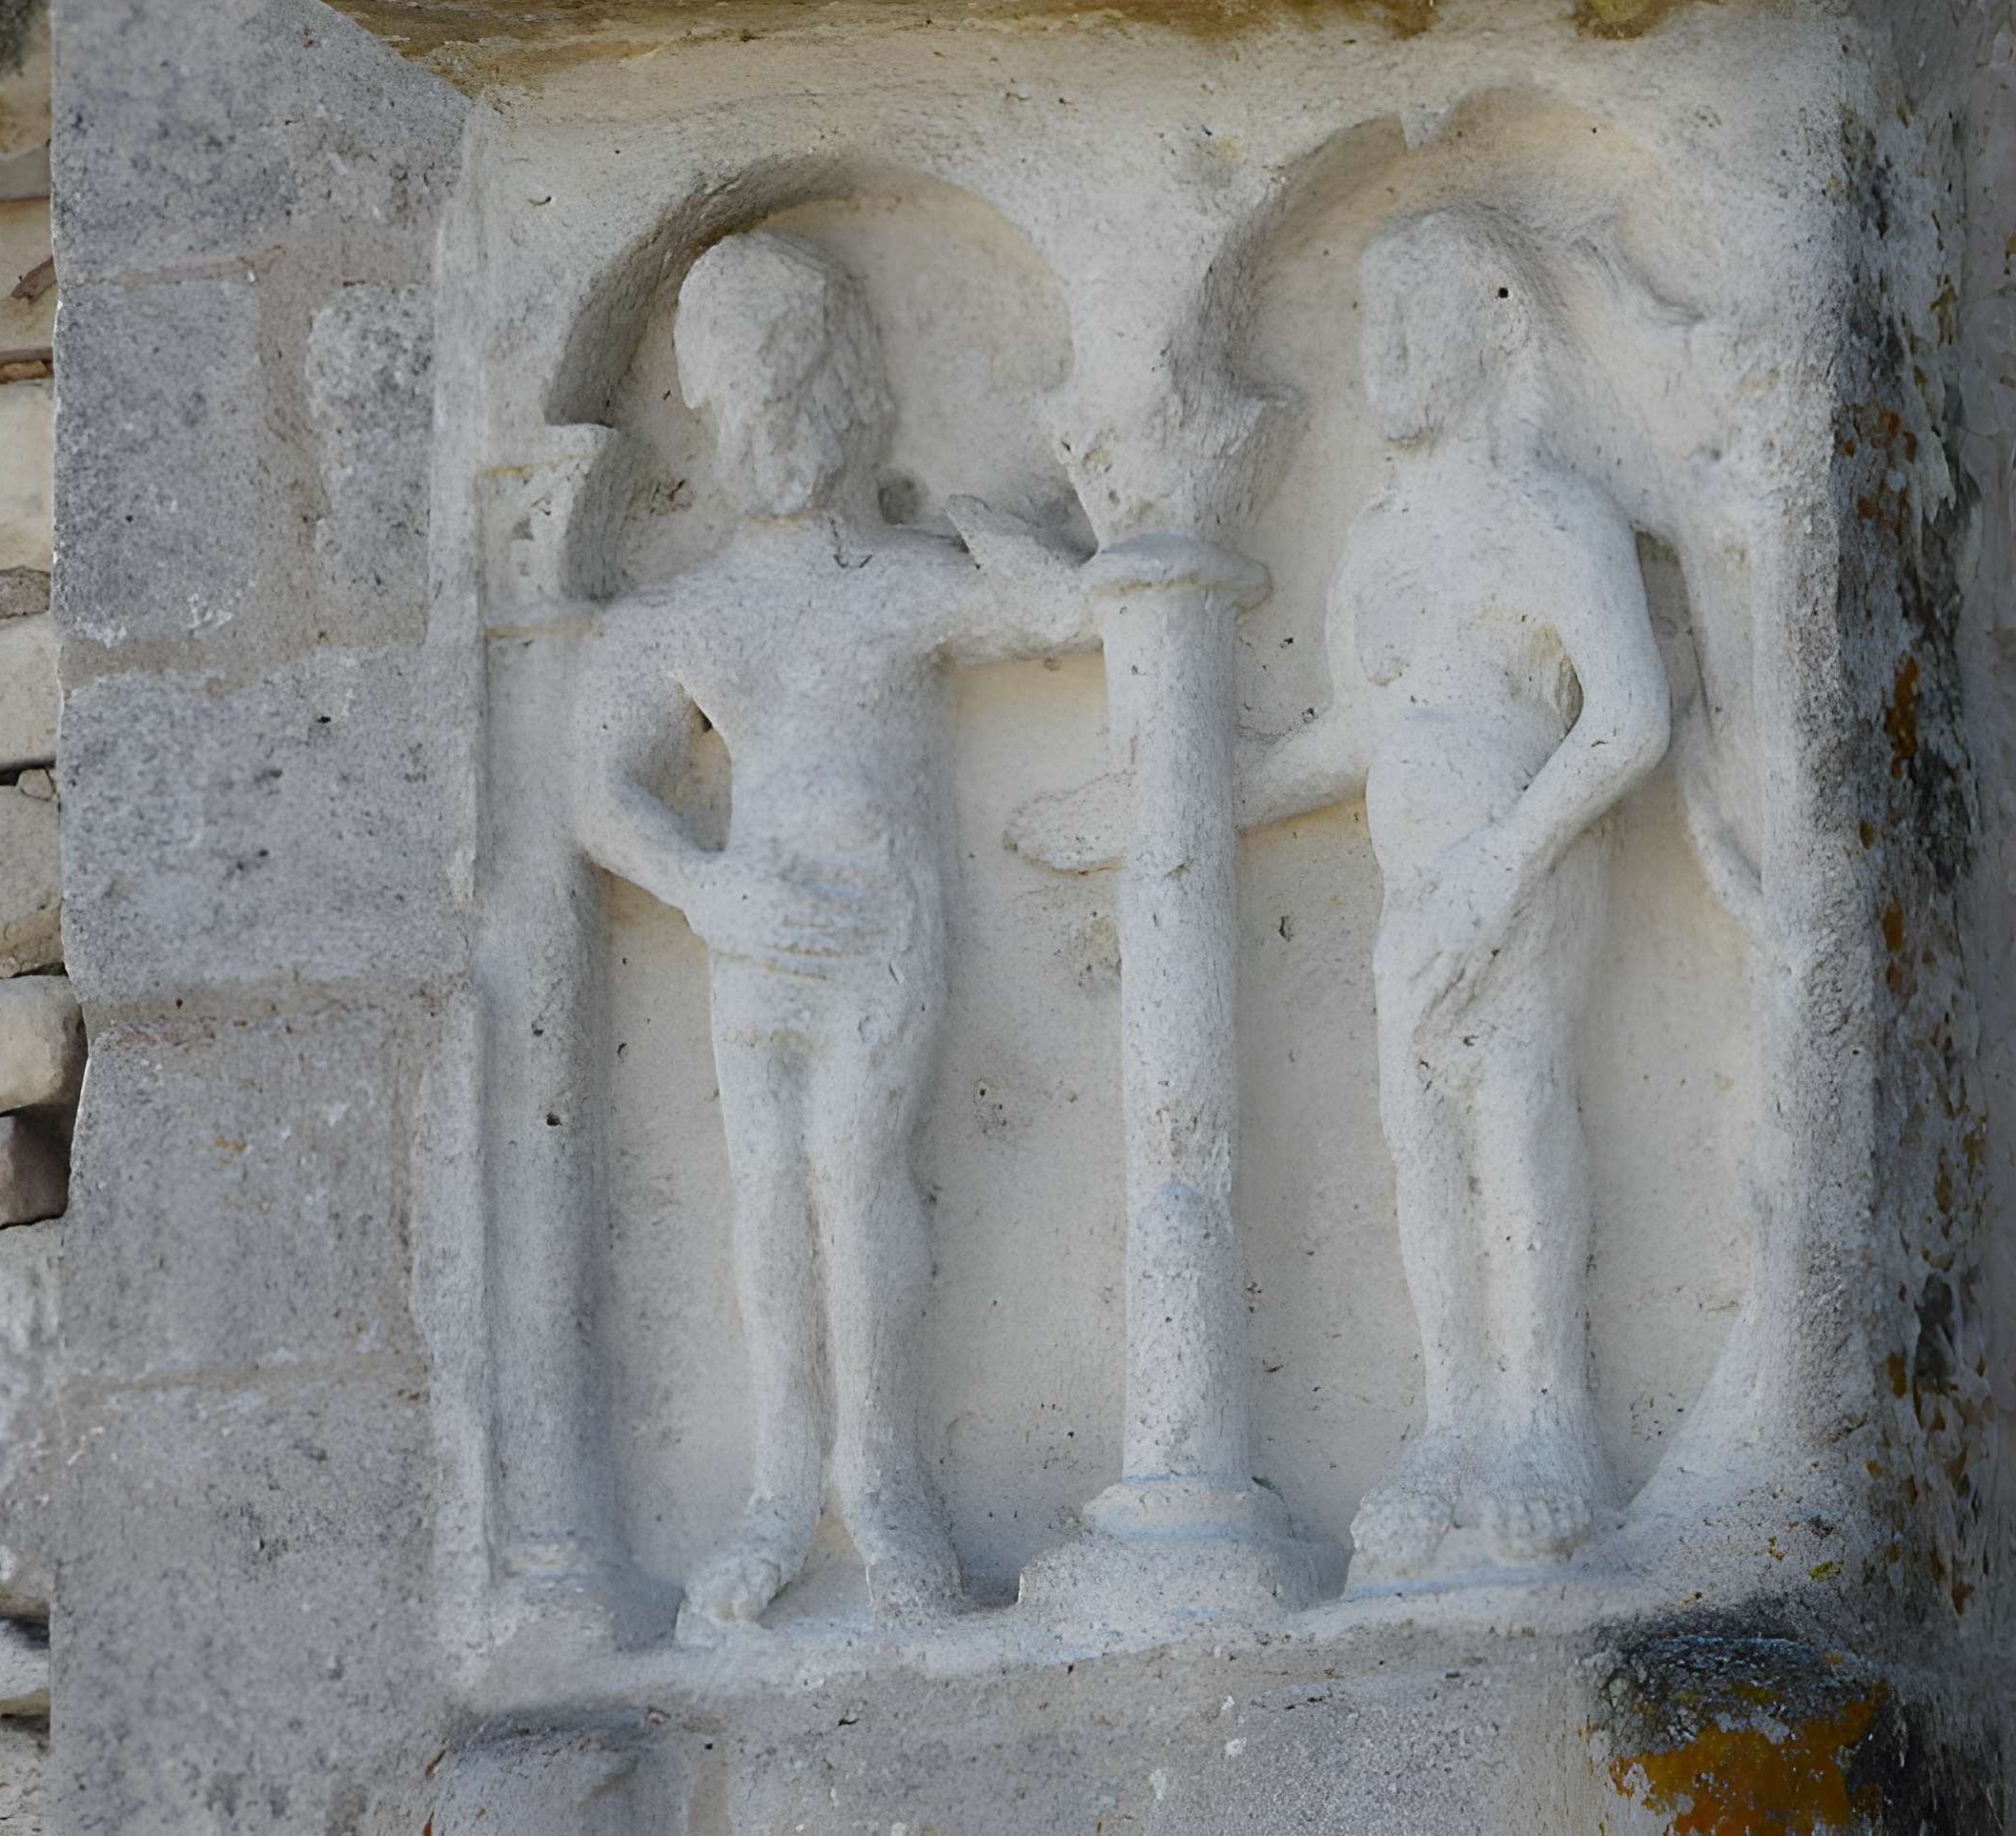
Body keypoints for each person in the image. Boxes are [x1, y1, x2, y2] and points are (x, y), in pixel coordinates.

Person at [1028, 208, 1673, 1580]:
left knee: (1511, 1117)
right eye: (1371, 321)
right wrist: (1177, 800)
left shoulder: (1552, 518)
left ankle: (1546, 1427)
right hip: (1412, 894)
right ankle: (1453, 1421)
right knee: (1419, 1147)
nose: (1380, 352)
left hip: (1519, 873)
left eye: (1411, 318)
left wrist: (1504, 863)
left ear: (1495, 322)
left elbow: (1625, 723)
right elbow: (1362, 733)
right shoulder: (1377, 541)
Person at [573, 229, 1089, 1638]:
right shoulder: (691, 614)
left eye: (797, 390)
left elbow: (1080, 613)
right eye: (745, 401)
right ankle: (779, 1494)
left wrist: (1031, 542)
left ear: (850, 397)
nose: (774, 427)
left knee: (854, 1180)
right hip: (759, 931)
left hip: (882, 922)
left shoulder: (906, 579)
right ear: (714, 419)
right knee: (764, 1199)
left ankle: (882, 1490)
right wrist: (706, 890)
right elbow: (596, 790)